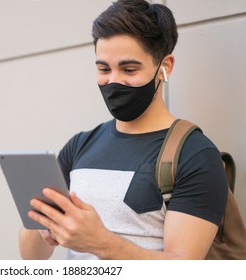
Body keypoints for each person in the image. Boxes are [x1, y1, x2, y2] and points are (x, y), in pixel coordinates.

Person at [19, 0, 228, 260]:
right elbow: (31, 257)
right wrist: (42, 226)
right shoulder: (80, 145)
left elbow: (184, 269)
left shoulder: (195, 155)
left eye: (129, 69)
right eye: (104, 69)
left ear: (166, 67)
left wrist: (101, 243)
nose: (114, 81)